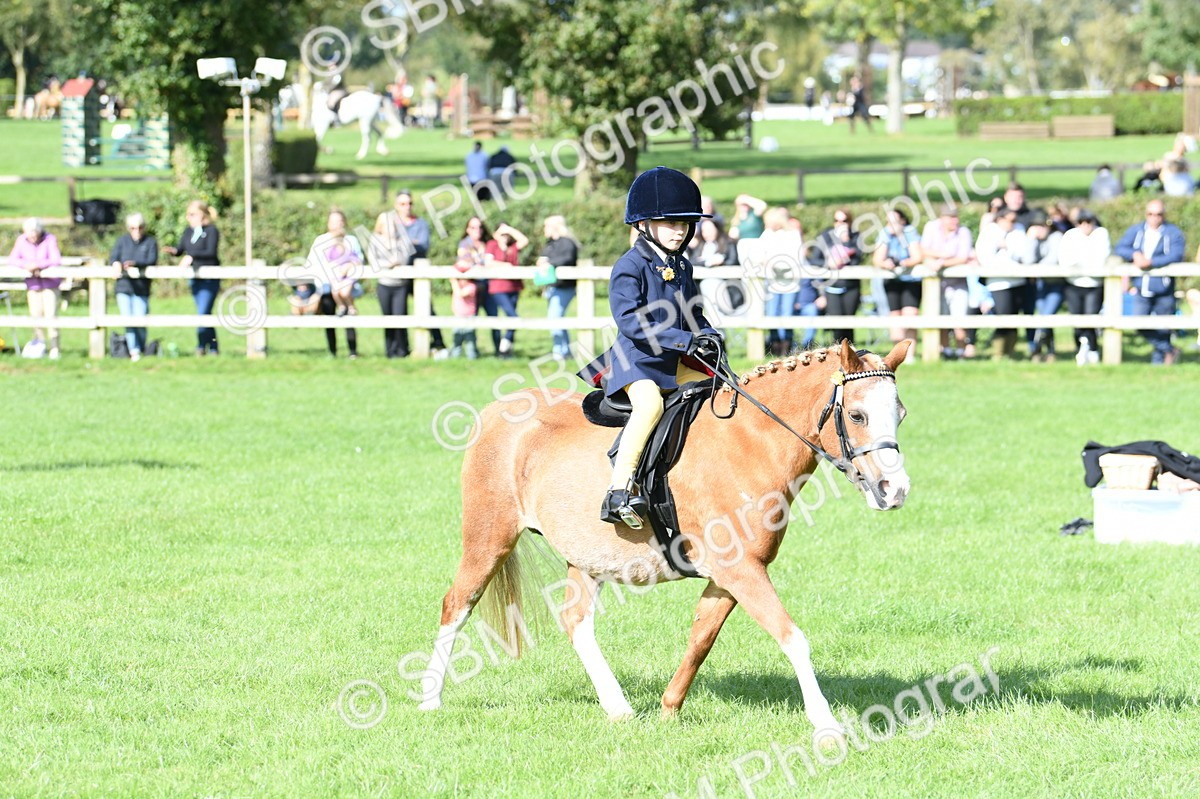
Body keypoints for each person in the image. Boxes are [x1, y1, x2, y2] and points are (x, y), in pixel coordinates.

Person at [576, 166, 721, 527]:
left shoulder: (682, 267)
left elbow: (694, 312)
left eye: (685, 224)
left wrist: (708, 335)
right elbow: (631, 321)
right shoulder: (629, 266)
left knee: (716, 391)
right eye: (670, 223)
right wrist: (685, 339)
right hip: (636, 362)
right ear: (643, 225)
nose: (680, 230)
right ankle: (620, 487)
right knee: (650, 405)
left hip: (673, 361)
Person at [372, 190, 447, 359]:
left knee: (427, 308)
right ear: (396, 206)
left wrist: (405, 245)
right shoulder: (391, 223)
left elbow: (421, 246)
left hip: (416, 273)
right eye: (402, 204)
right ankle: (401, 348)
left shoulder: (419, 224)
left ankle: (438, 342)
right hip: (397, 277)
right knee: (399, 313)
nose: (407, 207)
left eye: (410, 203)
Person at [1114, 198, 1187, 364]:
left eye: (1159, 214)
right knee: (1140, 323)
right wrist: (1135, 255)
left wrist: (1151, 262)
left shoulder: (1172, 233)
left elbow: (1176, 254)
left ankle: (1159, 363)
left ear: (1164, 215)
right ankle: (1169, 350)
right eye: (1151, 214)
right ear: (1146, 214)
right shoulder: (1137, 231)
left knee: (1163, 327)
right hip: (1142, 287)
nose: (1155, 217)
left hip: (1164, 288)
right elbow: (1120, 247)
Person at [163, 201, 221, 356]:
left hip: (209, 279)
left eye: (192, 214)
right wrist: (173, 251)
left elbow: (210, 253)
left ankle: (201, 346)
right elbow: (181, 249)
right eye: (188, 214)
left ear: (202, 214)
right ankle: (214, 348)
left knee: (202, 313)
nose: (189, 218)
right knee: (205, 314)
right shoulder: (189, 231)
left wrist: (192, 256)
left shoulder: (211, 231)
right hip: (195, 279)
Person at [920, 205, 977, 358]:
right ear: (942, 218)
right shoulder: (931, 228)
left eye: (956, 217)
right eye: (951, 217)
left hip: (958, 282)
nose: (954, 220)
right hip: (936, 284)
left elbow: (962, 257)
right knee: (941, 316)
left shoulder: (963, 232)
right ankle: (945, 350)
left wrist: (940, 262)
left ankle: (960, 351)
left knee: (959, 318)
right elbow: (923, 250)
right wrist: (942, 255)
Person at [304, 209, 362, 358]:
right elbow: (312, 264)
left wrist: (347, 271)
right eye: (334, 221)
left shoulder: (351, 240)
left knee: (349, 316)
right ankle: (332, 351)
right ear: (328, 224)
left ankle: (352, 352)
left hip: (345, 285)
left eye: (340, 221)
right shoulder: (321, 240)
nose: (338, 225)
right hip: (326, 285)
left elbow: (358, 260)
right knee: (329, 318)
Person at [1058, 209, 1110, 365]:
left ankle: (1092, 349)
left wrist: (1080, 260)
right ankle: (1082, 348)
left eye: (1089, 222)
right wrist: (1084, 260)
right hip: (1073, 284)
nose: (1086, 226)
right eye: (1082, 222)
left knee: (1090, 319)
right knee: (1077, 319)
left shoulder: (1101, 234)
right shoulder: (1070, 235)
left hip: (1094, 284)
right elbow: (1065, 260)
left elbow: (1100, 260)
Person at [974, 208, 1026, 360]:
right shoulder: (989, 232)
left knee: (1014, 317)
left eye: (1014, 221)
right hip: (998, 282)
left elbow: (1023, 252)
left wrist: (1008, 248)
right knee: (1003, 317)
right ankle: (998, 353)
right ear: (1000, 219)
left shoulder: (1019, 230)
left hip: (1018, 280)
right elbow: (984, 257)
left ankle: (1010, 352)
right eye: (1009, 220)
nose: (1012, 224)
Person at [809, 207, 865, 347]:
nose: (840, 223)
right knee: (836, 324)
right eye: (837, 220)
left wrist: (845, 242)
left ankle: (852, 356)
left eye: (844, 220)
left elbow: (857, 260)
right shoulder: (825, 237)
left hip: (851, 287)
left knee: (848, 323)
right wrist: (829, 263)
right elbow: (814, 260)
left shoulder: (856, 237)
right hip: (832, 287)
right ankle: (837, 355)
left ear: (850, 222)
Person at [9, 218, 63, 359]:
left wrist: (39, 265)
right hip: (33, 285)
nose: (32, 235)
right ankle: (40, 345)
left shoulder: (49, 239)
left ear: (39, 231)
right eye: (29, 232)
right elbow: (13, 259)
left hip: (50, 284)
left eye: (34, 232)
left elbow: (55, 260)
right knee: (35, 315)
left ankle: (54, 348)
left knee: (51, 315)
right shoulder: (21, 241)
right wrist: (27, 265)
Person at [874, 208, 924, 353]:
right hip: (892, 280)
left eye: (894, 221)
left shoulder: (909, 232)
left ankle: (910, 355)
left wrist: (903, 263)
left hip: (910, 280)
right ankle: (897, 354)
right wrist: (886, 263)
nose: (891, 225)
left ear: (902, 221)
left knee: (910, 315)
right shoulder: (885, 234)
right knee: (895, 317)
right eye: (888, 222)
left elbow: (917, 256)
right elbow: (877, 259)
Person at [109, 212, 158, 361]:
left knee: (140, 319)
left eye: (140, 227)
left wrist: (134, 263)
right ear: (128, 228)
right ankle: (134, 350)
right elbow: (113, 257)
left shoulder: (150, 242)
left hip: (141, 288)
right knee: (128, 319)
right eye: (133, 228)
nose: (137, 231)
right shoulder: (122, 241)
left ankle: (142, 347)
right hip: (124, 287)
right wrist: (116, 264)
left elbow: (151, 259)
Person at [1016, 211, 1064, 361]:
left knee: (1046, 316)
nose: (1041, 229)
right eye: (1037, 226)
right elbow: (1027, 260)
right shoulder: (1032, 239)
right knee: (1044, 317)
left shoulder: (1056, 237)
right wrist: (1031, 240)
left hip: (1057, 284)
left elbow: (1053, 260)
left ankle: (1036, 347)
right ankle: (1050, 352)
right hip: (1040, 284)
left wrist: (1035, 269)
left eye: (1043, 226)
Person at [483, 222, 530, 357]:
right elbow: (488, 263)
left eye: (506, 234)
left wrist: (509, 229)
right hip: (498, 287)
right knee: (513, 316)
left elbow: (524, 240)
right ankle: (504, 345)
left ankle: (506, 349)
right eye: (501, 233)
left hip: (514, 287)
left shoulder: (513, 247)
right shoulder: (492, 245)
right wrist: (506, 265)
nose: (504, 236)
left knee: (512, 318)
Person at [539, 215, 580, 361]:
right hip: (552, 286)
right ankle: (565, 351)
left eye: (546, 226)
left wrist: (549, 262)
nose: (544, 229)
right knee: (557, 318)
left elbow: (567, 258)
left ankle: (559, 352)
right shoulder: (550, 243)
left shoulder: (567, 243)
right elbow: (544, 258)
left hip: (564, 287)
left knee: (554, 318)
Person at [452, 216, 491, 360]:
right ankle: (463, 352)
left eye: (480, 227)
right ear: (467, 229)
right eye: (473, 227)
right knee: (465, 323)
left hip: (485, 287)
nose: (477, 230)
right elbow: (462, 266)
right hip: (469, 289)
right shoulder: (464, 245)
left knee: (492, 318)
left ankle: (499, 351)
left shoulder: (487, 244)